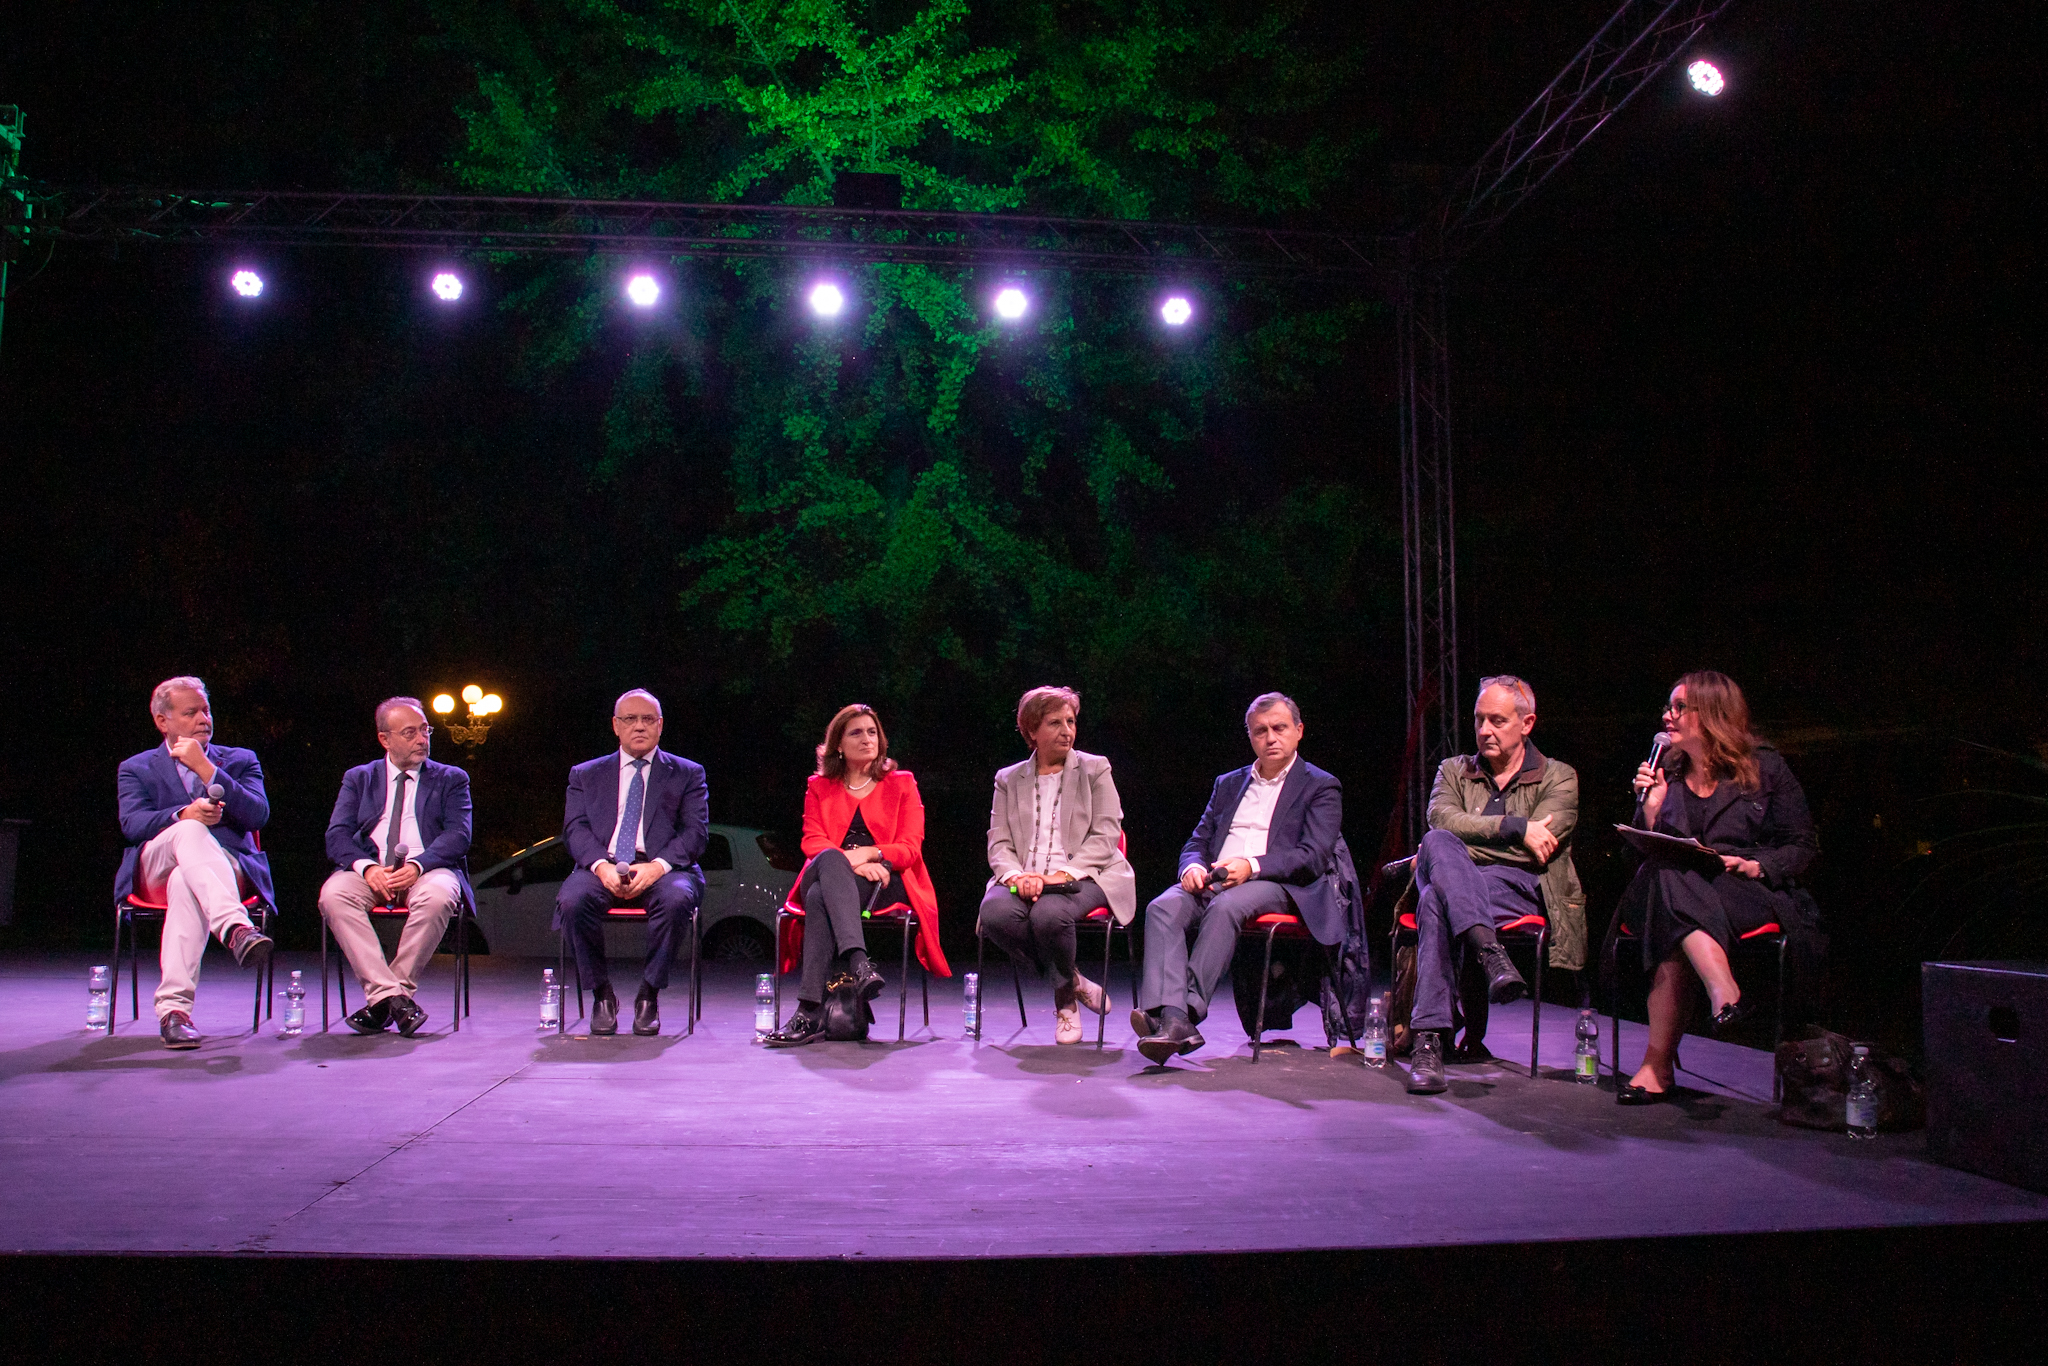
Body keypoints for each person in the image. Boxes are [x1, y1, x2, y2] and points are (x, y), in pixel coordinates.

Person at [1612, 670, 1820, 1105]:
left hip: (1742, 891)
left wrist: (1757, 865)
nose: (1667, 716)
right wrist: (1650, 811)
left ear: (1711, 713)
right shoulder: (1665, 771)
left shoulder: (1764, 766)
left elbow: (1802, 845)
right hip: (1671, 888)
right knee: (1668, 877)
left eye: (1679, 708)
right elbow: (1637, 854)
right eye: (1668, 707)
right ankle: (1723, 991)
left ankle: (1656, 1066)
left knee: (1671, 906)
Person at [1132, 692, 1344, 1064]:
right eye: (1260, 731)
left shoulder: (1320, 785)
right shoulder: (1228, 783)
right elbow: (1197, 841)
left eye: (1279, 728)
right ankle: (1172, 1018)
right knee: (1162, 907)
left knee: (1226, 906)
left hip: (1279, 885)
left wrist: (1252, 865)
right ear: (1250, 736)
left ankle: (1183, 1011)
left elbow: (1312, 856)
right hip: (1216, 877)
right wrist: (1192, 867)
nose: (1271, 737)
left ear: (1299, 731)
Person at [1398, 675, 1585, 1095]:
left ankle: (1428, 1043)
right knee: (1436, 855)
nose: (1484, 730)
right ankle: (1489, 952)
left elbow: (1534, 853)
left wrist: (1460, 846)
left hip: (1519, 887)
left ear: (1527, 723)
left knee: (1436, 876)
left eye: (1497, 720)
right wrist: (1516, 828)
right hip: (1465, 889)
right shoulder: (1453, 770)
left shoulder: (1558, 776)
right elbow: (1442, 821)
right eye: (1479, 719)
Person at [765, 704, 950, 1046]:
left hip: (884, 881)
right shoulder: (819, 786)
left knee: (819, 896)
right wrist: (850, 862)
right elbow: (812, 841)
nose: (867, 739)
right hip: (827, 868)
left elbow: (910, 847)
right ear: (838, 744)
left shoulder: (902, 783)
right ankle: (860, 962)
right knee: (828, 860)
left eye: (872, 732)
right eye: (856, 733)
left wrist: (868, 854)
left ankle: (808, 1012)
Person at [114, 676, 276, 1049]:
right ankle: (236, 928)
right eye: (191, 713)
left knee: (184, 882)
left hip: (225, 868)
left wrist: (207, 769)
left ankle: (174, 1013)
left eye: (206, 710)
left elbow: (258, 815)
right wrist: (183, 814)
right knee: (188, 830)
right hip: (155, 866)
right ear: (163, 721)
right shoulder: (136, 767)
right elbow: (132, 825)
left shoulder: (240, 760)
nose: (204, 719)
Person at [978, 686, 1137, 1043]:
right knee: (995, 914)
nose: (1067, 730)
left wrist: (1061, 875)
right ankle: (1073, 980)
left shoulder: (1095, 768)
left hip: (1087, 875)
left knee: (1048, 915)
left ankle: (1065, 1001)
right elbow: (999, 842)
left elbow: (1106, 834)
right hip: (1025, 876)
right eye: (1055, 723)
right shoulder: (1008, 779)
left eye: (1071, 721)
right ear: (1032, 730)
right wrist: (1016, 876)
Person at [553, 689, 709, 1036]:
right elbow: (575, 829)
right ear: (616, 726)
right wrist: (601, 866)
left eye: (647, 719)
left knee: (676, 899)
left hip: (665, 868)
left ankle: (648, 994)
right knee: (573, 900)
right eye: (630, 719)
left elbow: (696, 832)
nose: (639, 726)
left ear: (660, 725)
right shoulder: (585, 774)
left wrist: (658, 866)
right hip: (603, 864)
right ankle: (601, 994)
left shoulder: (687, 773)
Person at [318, 697, 474, 1037]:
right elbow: (337, 835)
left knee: (438, 896)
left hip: (428, 867)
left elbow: (459, 836)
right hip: (372, 869)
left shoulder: (451, 779)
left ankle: (388, 998)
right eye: (410, 733)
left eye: (425, 730)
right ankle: (395, 999)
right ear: (384, 739)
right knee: (333, 895)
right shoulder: (359, 778)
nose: (422, 739)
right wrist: (366, 868)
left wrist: (419, 865)